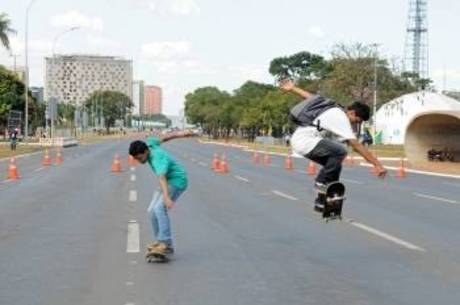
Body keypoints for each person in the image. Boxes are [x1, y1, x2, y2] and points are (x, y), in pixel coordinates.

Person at [279, 80, 387, 210]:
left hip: (302, 141)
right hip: (306, 141)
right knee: (340, 152)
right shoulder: (341, 117)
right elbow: (356, 146)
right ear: (352, 113)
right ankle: (320, 182)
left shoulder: (334, 106)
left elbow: (311, 98)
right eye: (356, 121)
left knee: (335, 167)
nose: (355, 124)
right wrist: (377, 164)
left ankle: (321, 201)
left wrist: (293, 88)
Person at [129, 130, 197, 257]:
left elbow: (162, 178)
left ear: (145, 152)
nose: (139, 161)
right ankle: (161, 241)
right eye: (136, 159)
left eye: (140, 158)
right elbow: (164, 138)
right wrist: (182, 134)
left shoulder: (157, 158)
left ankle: (165, 244)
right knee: (151, 211)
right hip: (168, 180)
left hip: (177, 180)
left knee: (160, 208)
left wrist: (166, 197)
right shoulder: (149, 144)